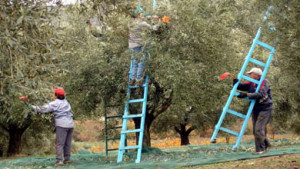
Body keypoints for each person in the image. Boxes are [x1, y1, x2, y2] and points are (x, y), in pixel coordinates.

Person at [29, 88, 74, 166]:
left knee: (59, 143)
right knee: (67, 143)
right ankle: (67, 159)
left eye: (54, 94)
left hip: (62, 124)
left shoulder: (55, 103)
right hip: (70, 124)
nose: (53, 95)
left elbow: (43, 109)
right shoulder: (66, 102)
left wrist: (31, 106)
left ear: (56, 95)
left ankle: (59, 161)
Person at [233, 67, 273, 155]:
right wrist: (236, 83)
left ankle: (260, 150)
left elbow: (261, 94)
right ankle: (266, 144)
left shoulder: (264, 82)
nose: (249, 75)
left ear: (256, 75)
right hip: (255, 108)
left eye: (250, 74)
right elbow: (243, 86)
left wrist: (246, 94)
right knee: (256, 130)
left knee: (258, 129)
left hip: (265, 108)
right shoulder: (252, 82)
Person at [128, 10, 160, 86]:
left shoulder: (129, 23)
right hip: (139, 45)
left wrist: (151, 17)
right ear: (137, 15)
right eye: (139, 14)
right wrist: (159, 22)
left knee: (135, 62)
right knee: (141, 62)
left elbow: (141, 18)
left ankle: (132, 79)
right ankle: (138, 80)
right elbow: (153, 28)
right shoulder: (141, 23)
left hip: (131, 46)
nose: (140, 15)